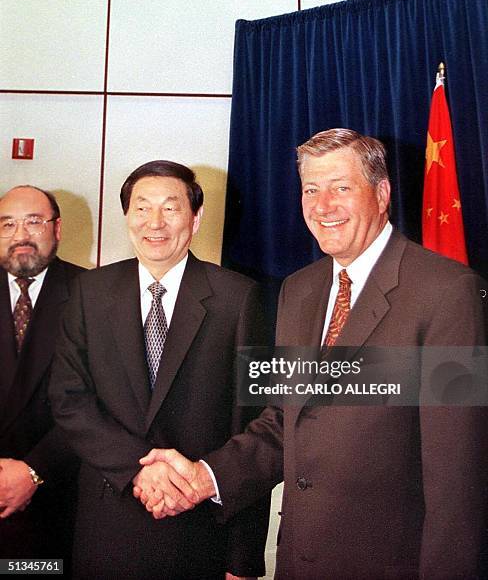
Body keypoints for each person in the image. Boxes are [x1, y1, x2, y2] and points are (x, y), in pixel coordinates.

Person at [136, 130, 488, 579]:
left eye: (341, 187)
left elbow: (458, 476)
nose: (323, 207)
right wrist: (206, 477)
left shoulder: (447, 292)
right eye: (310, 190)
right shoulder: (299, 291)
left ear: (381, 194)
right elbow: (284, 421)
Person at [49, 161, 269, 580]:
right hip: (106, 524)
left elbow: (254, 423)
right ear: (127, 217)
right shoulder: (90, 292)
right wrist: (136, 469)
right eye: (142, 208)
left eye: (171, 208)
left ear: (196, 217)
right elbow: (68, 398)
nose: (155, 222)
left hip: (200, 529)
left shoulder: (238, 299)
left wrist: (243, 558)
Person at [0, 185, 84, 567]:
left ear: (57, 229)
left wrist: (34, 471)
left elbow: (101, 400)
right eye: (7, 224)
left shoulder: (93, 294)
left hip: (58, 497)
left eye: (34, 221)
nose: (20, 235)